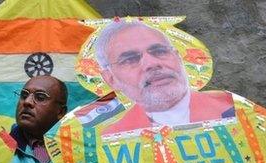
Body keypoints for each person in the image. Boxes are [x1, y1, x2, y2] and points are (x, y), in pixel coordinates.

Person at [91, 20, 234, 134]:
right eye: (130, 59)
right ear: (111, 79)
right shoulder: (113, 136)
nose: (152, 63)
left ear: (179, 58)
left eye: (159, 51)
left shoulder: (235, 110)